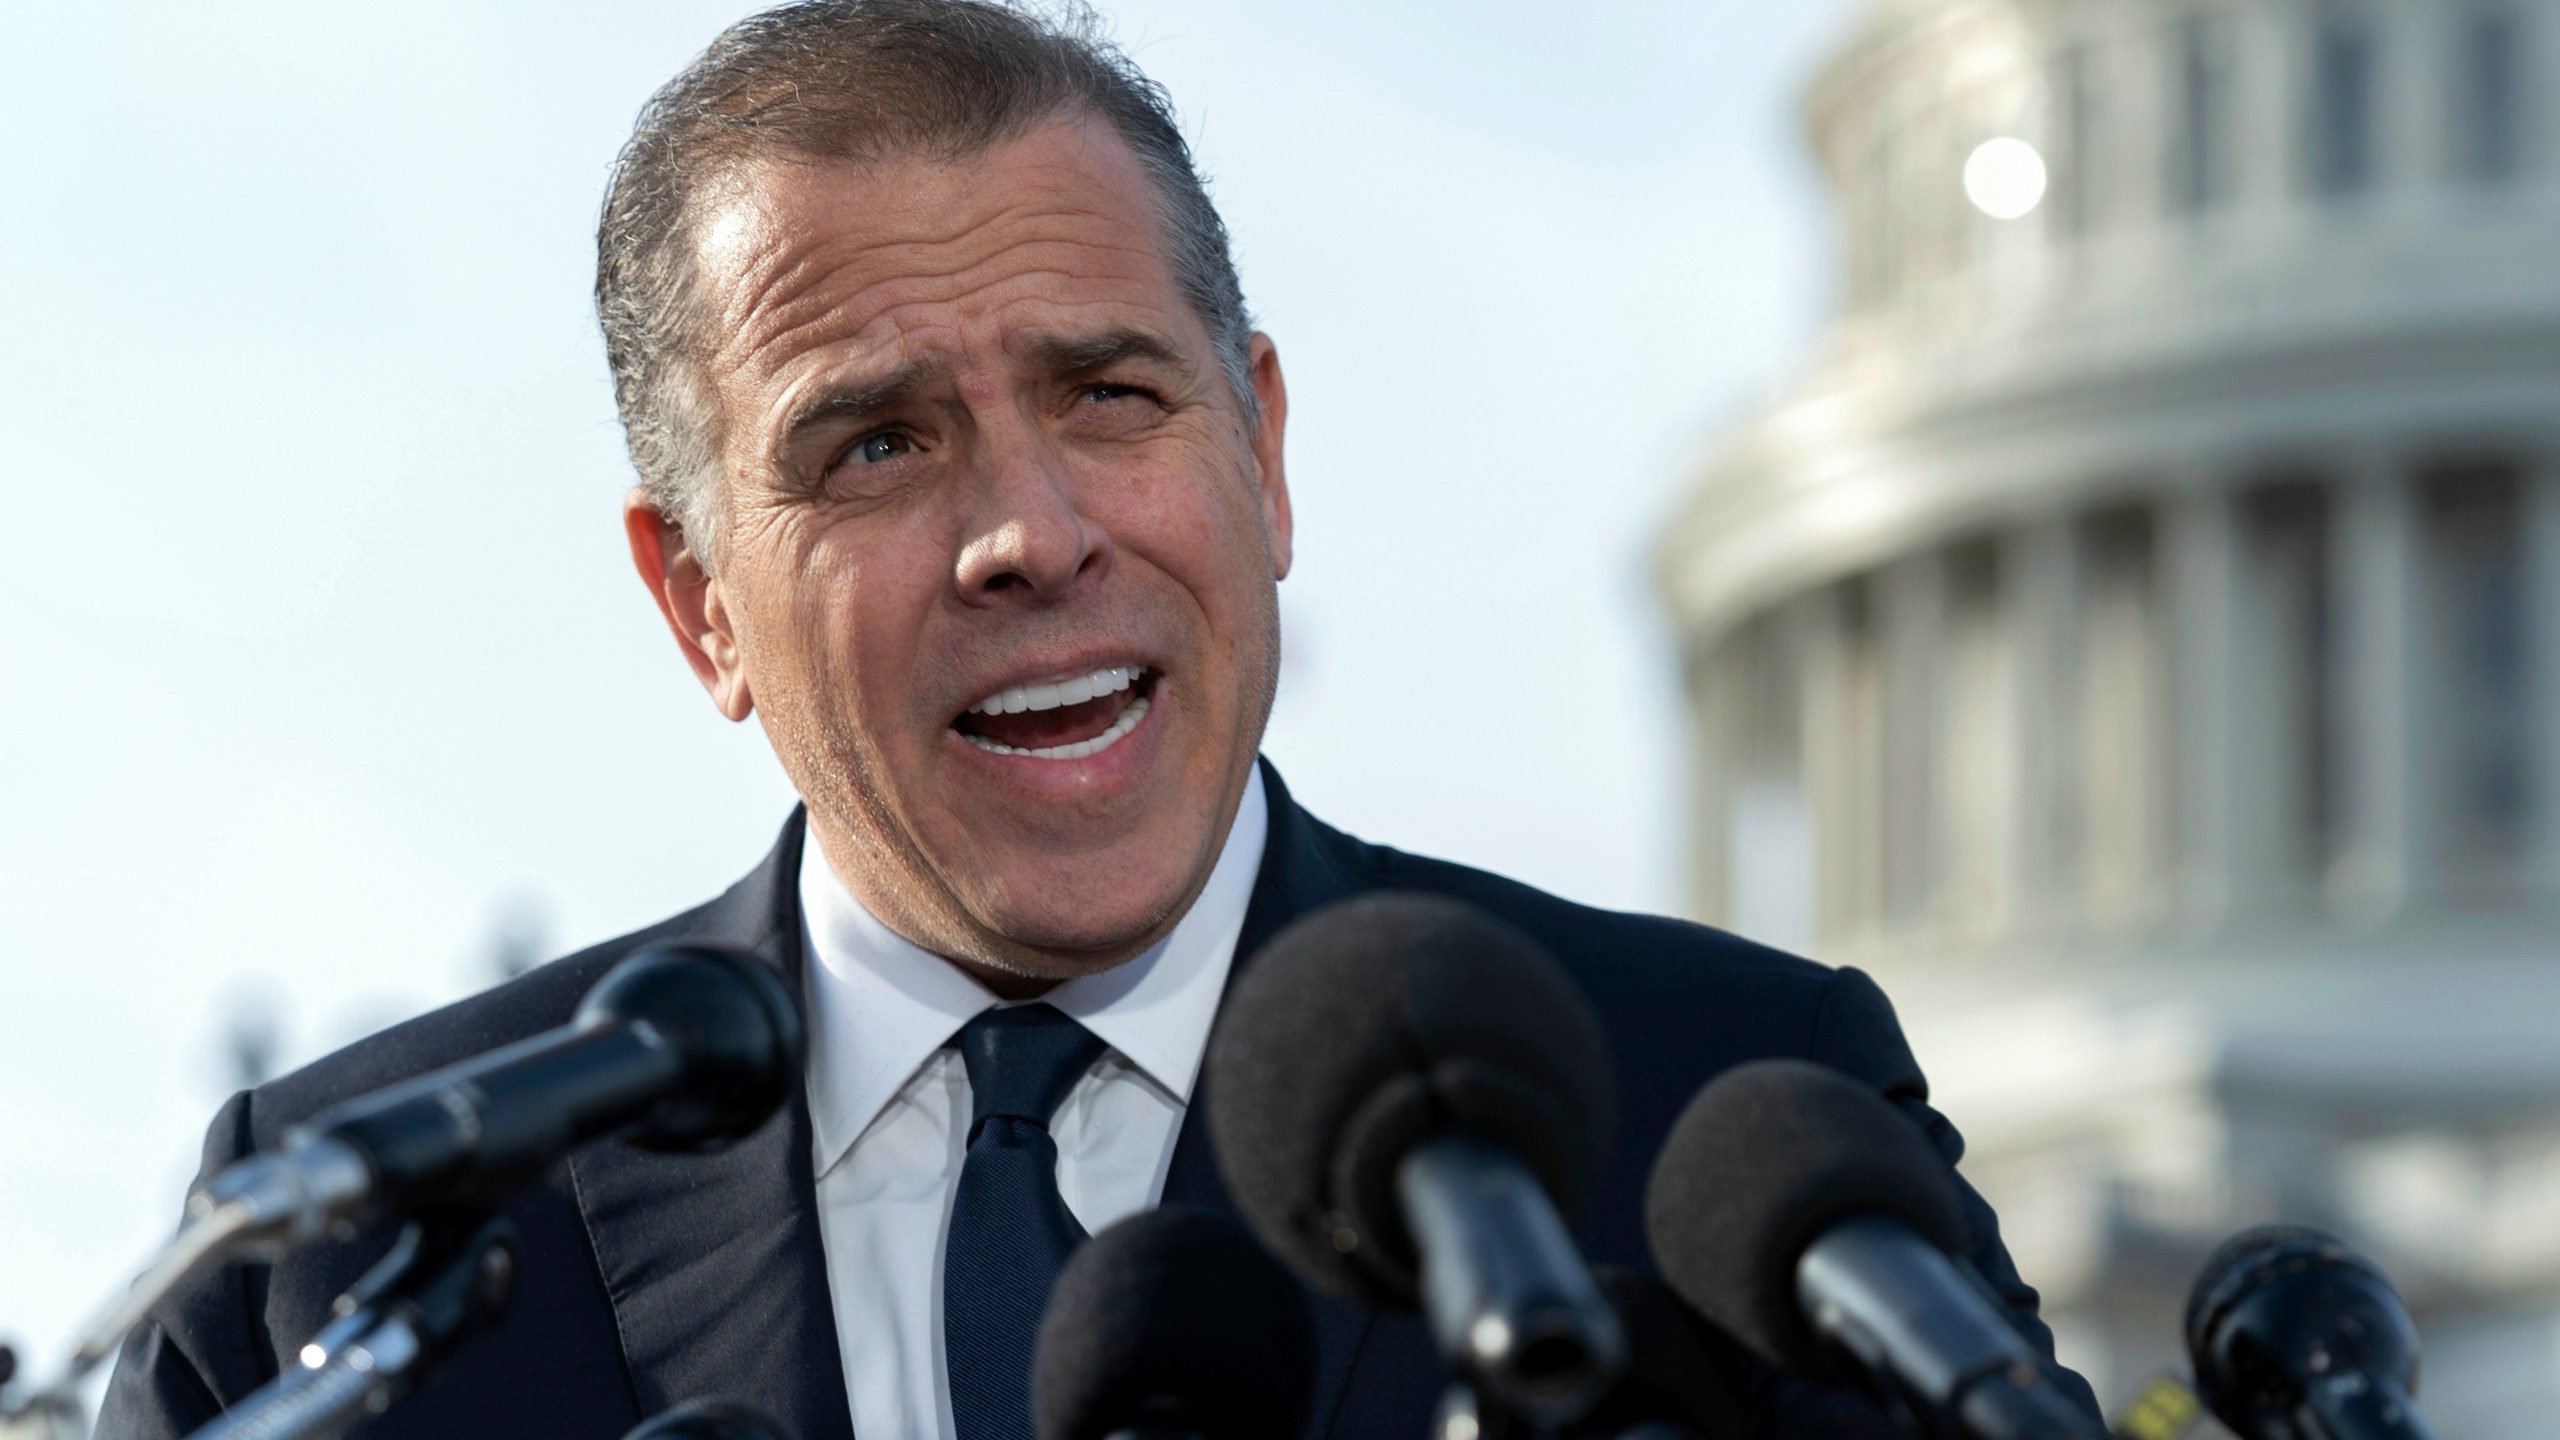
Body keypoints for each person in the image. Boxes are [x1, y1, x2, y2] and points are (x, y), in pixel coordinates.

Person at [97, 3, 2099, 1438]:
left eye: (1108, 396)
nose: (1027, 537)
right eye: (874, 443)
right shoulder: (337, 1260)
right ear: (696, 601)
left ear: (1267, 455)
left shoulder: (1728, 1125)